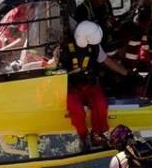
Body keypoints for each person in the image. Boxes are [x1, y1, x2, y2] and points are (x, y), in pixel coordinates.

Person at [55, 20, 129, 152]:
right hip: (72, 87)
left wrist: (126, 74)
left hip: (89, 84)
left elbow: (107, 61)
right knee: (76, 109)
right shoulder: (64, 48)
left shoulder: (95, 47)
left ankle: (98, 134)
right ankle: (83, 137)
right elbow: (55, 66)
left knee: (100, 103)